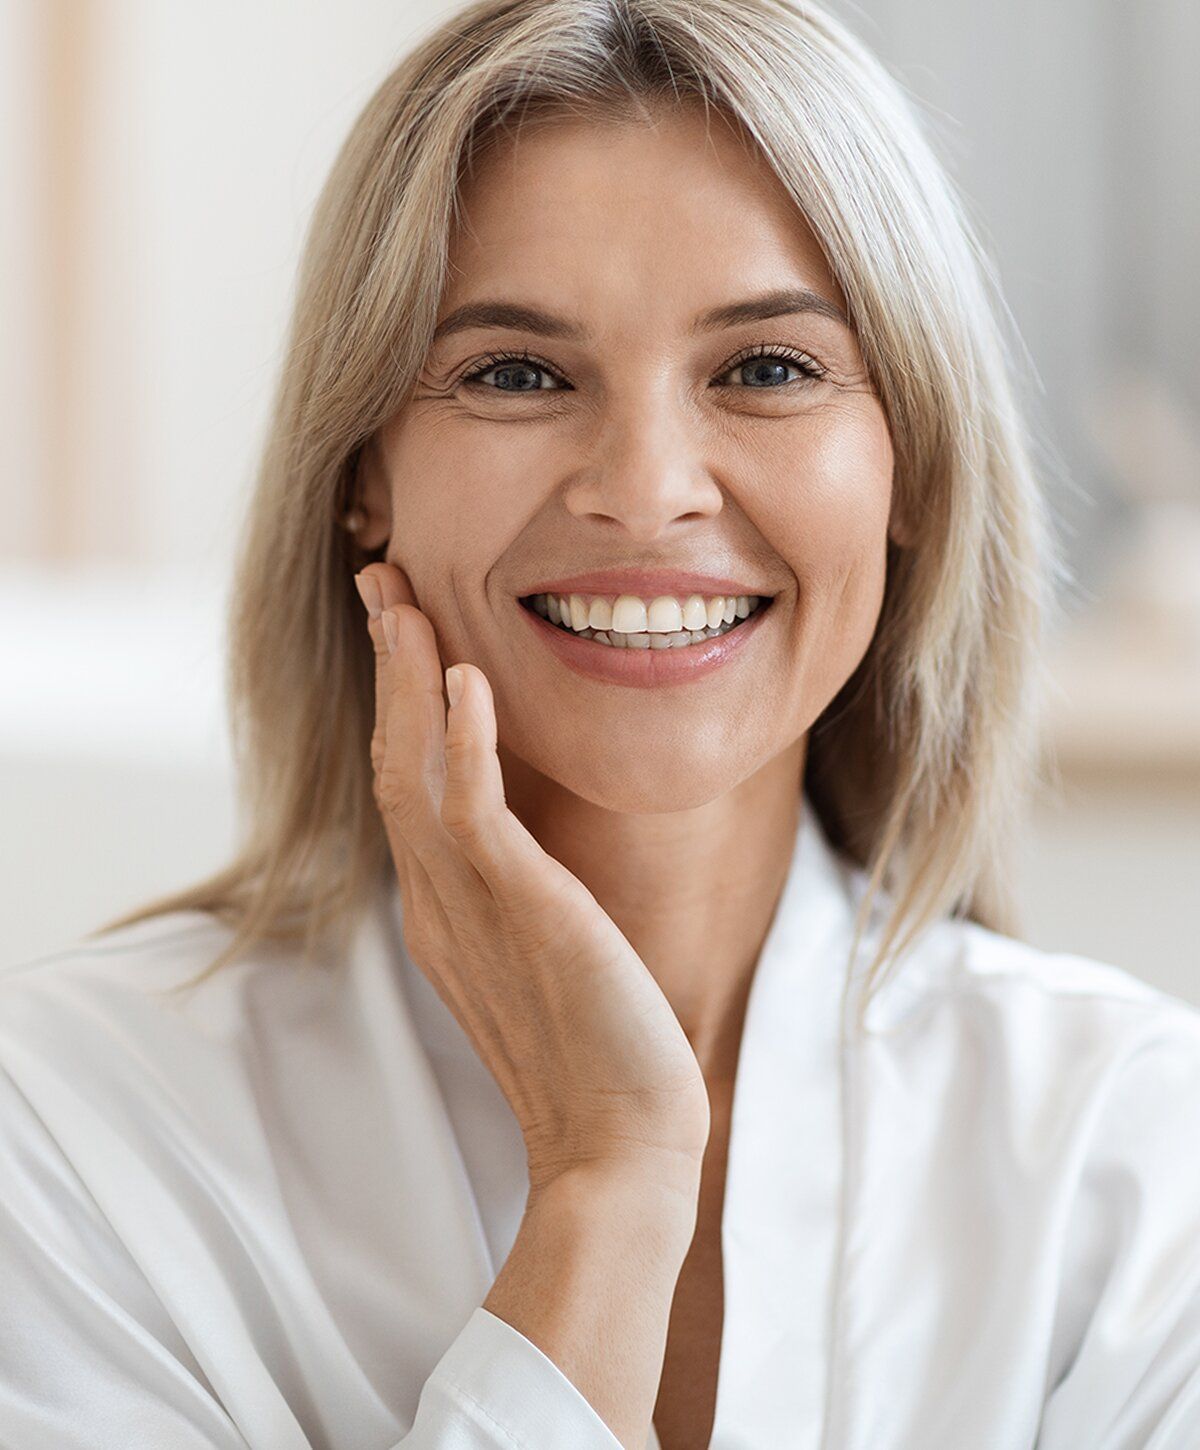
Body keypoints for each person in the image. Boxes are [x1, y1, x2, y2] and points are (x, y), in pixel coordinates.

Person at [3, 0, 1199, 1446]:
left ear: (911, 473)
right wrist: (611, 1183)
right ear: (360, 474)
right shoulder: (70, 1127)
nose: (646, 488)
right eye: (517, 372)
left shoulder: (1136, 1157)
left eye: (766, 368)